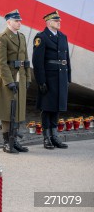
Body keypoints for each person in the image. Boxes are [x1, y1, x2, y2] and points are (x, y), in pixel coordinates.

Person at [0, 9, 31, 154]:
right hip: (10, 79)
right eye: (16, 21)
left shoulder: (22, 37)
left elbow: (26, 60)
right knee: (8, 111)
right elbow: (0, 63)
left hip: (21, 76)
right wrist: (9, 81)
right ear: (8, 22)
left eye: (20, 20)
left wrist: (28, 78)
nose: (19, 23)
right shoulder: (2, 38)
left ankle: (15, 140)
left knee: (18, 110)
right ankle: (7, 142)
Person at [32, 10, 70, 150]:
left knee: (57, 108)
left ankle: (55, 136)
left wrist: (68, 78)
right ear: (48, 22)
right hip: (49, 78)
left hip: (61, 77)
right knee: (47, 109)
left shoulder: (63, 36)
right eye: (56, 21)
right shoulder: (41, 37)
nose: (59, 22)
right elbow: (37, 62)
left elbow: (67, 59)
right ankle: (46, 137)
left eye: (59, 20)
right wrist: (41, 81)